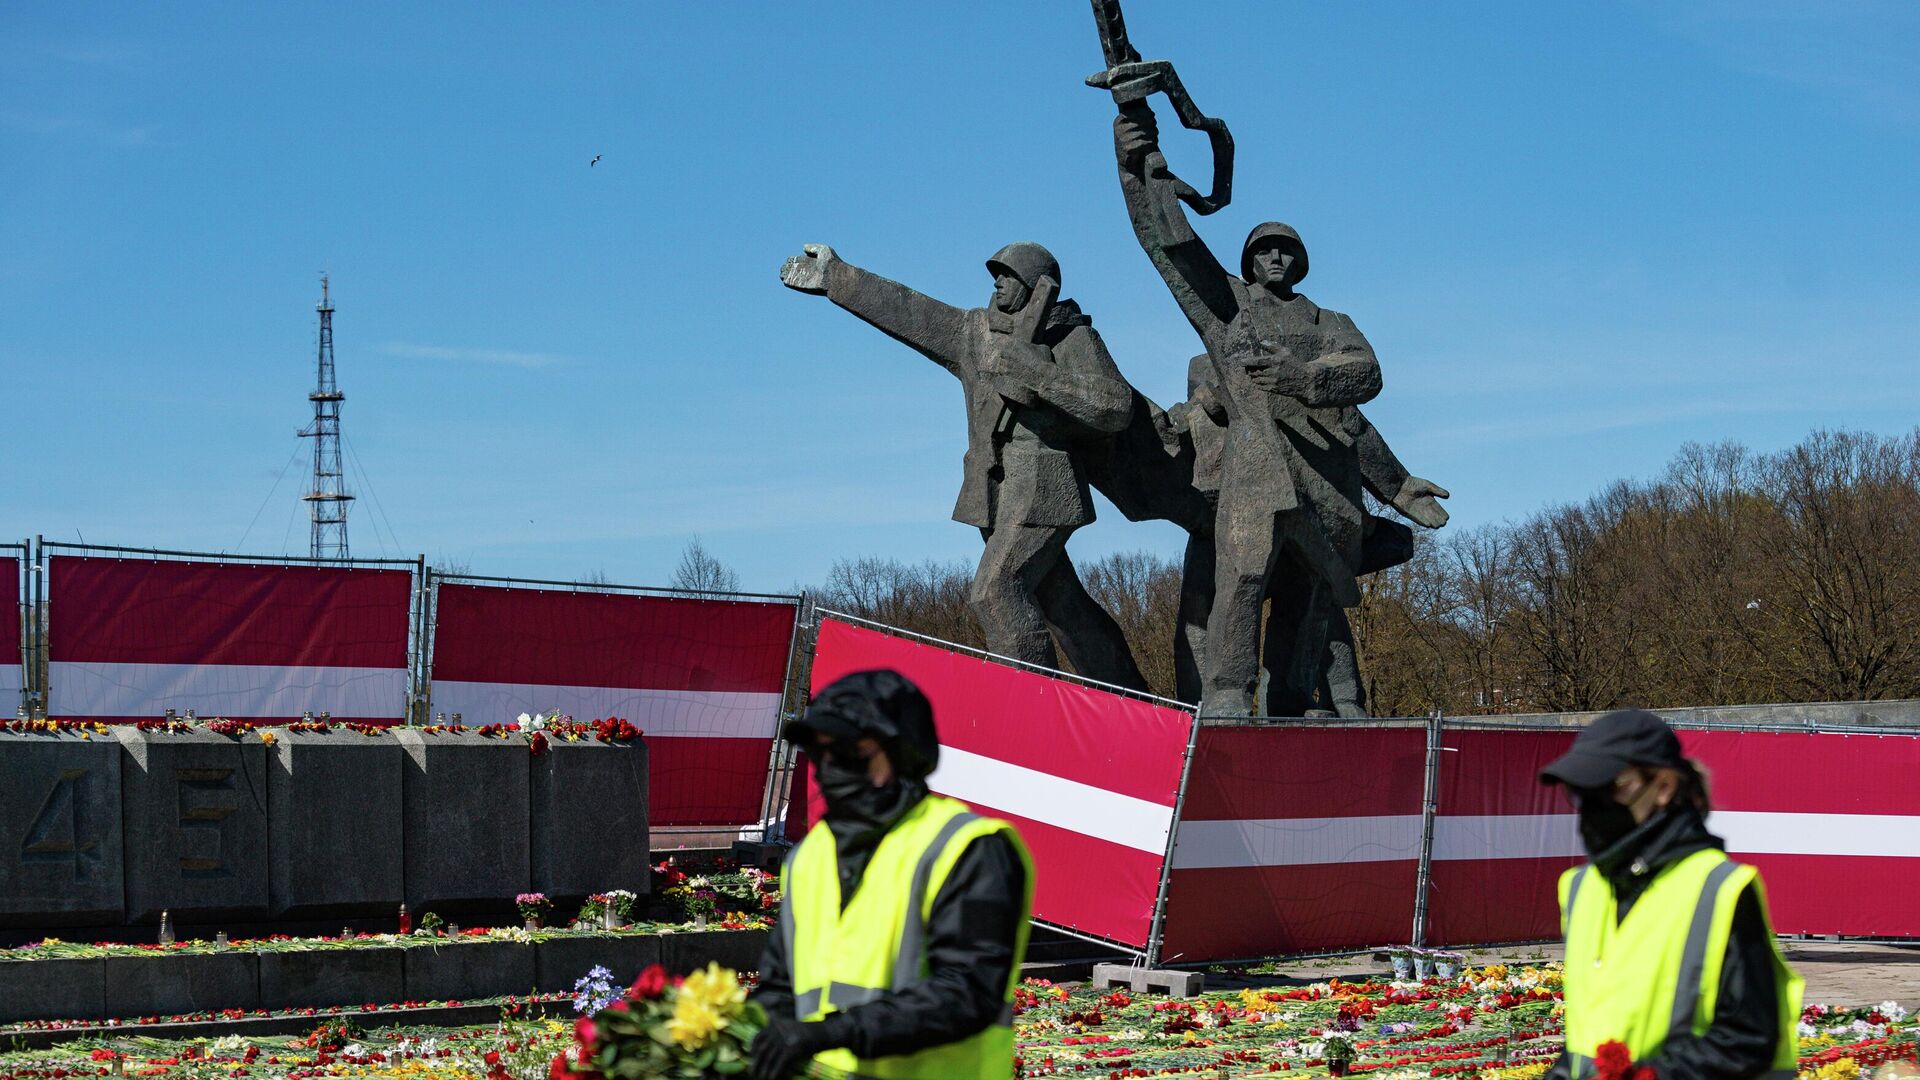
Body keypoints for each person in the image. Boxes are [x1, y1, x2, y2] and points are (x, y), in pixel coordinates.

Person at [780, 241, 1147, 692]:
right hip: (993, 487)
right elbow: (910, 313)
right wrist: (837, 277)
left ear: (1036, 287)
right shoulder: (977, 333)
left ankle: (1031, 707)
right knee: (1063, 606)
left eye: (1009, 274)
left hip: (1044, 485)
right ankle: (1136, 700)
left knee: (996, 591)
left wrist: (1040, 376)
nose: (997, 281)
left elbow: (1115, 405)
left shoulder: (1071, 338)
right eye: (996, 272)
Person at [749, 669, 1034, 1080]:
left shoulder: (968, 848)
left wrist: (830, 1032)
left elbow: (966, 992)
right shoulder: (808, 858)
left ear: (900, 755)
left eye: (848, 753)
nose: (830, 770)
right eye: (820, 753)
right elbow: (779, 987)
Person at [1540, 709, 1803, 1079]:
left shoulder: (1719, 888)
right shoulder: (1582, 888)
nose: (1594, 806)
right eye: (1580, 792)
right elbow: (1587, 1039)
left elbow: (1748, 1037)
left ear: (1664, 786)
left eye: (1611, 786)